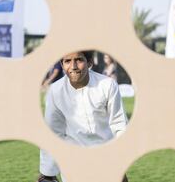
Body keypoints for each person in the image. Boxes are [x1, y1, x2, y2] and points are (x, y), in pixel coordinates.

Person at [37, 51, 128, 182]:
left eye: (79, 60)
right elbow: (52, 133)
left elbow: (119, 125)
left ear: (89, 62)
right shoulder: (55, 91)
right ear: (62, 64)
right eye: (67, 61)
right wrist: (47, 174)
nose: (73, 66)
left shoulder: (107, 85)